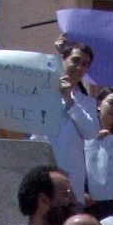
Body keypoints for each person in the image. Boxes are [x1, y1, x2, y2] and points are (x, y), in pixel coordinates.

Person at [31, 41, 98, 203]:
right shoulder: (39, 90)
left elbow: (91, 132)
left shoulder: (87, 102)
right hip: (40, 168)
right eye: (75, 60)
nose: (79, 67)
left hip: (71, 178)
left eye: (85, 64)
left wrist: (70, 101)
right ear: (63, 59)